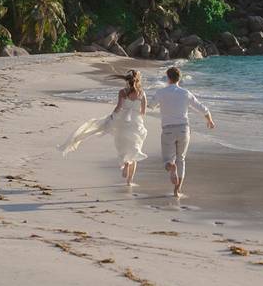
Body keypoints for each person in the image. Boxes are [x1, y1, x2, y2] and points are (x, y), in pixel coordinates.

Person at [58, 70, 148, 186]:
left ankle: (126, 163)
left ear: (126, 81)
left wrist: (111, 117)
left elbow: (118, 107)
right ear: (138, 80)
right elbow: (143, 112)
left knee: (123, 147)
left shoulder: (122, 92)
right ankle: (129, 181)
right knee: (135, 150)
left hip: (122, 123)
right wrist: (135, 113)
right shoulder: (142, 93)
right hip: (136, 124)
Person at [147, 66, 215, 198]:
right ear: (180, 79)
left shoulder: (161, 92)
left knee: (168, 160)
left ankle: (170, 167)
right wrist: (210, 120)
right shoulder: (185, 93)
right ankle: (177, 191)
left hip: (168, 129)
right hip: (184, 129)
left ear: (168, 78)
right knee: (181, 159)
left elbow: (150, 106)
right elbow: (202, 108)